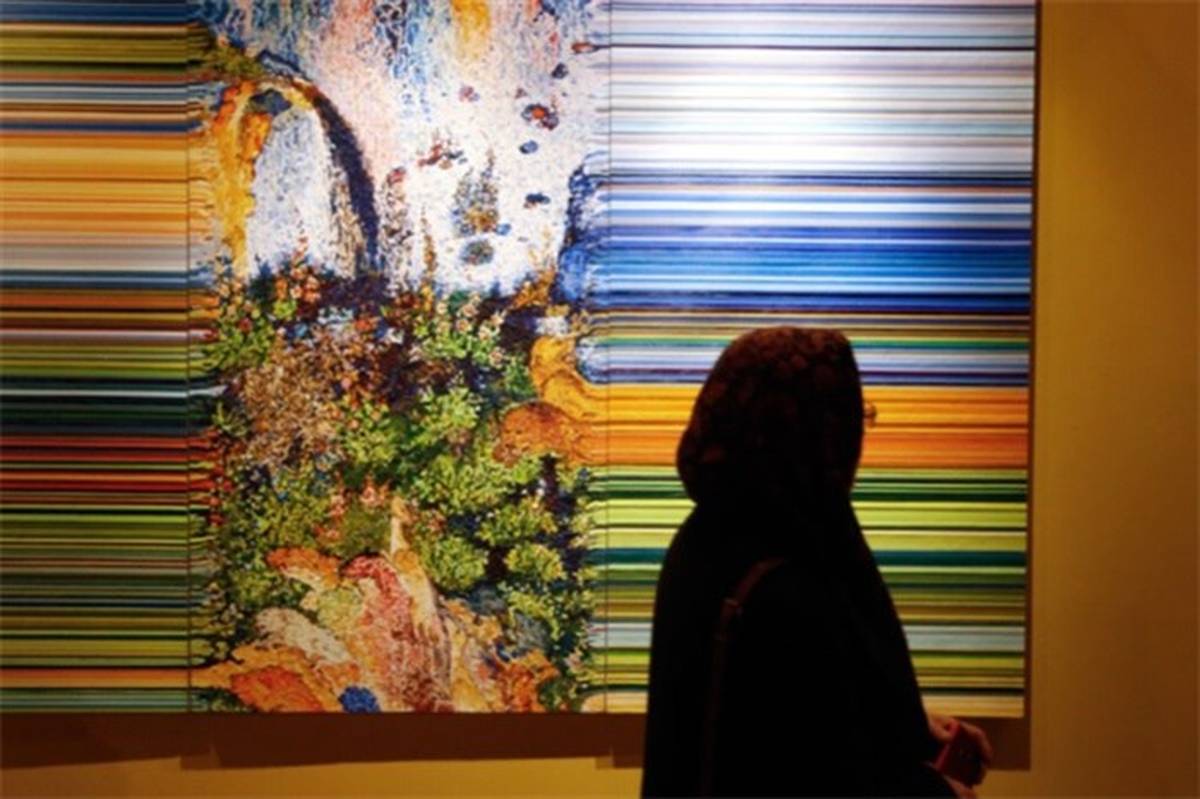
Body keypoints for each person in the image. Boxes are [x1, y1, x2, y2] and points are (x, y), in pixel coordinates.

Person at [641, 327, 992, 798]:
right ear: (812, 432)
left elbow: (782, 718)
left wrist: (906, 723)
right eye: (851, 419)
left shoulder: (709, 537)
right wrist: (941, 791)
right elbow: (819, 774)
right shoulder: (787, 585)